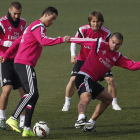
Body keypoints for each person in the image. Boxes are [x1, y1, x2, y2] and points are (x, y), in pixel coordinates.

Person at [0, 6, 70, 137]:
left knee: (34, 95)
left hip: (23, 63)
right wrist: (61, 39)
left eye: (54, 19)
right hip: (23, 63)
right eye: (52, 18)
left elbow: (17, 41)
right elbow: (43, 41)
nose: (53, 21)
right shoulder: (38, 26)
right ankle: (13, 118)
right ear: (45, 15)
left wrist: (6, 54)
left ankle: (26, 128)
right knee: (31, 92)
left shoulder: (31, 26)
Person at [69, 32, 140, 132]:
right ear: (109, 40)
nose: (114, 45)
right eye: (113, 42)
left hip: (91, 80)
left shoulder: (117, 56)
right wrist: (67, 39)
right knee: (87, 96)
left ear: (121, 45)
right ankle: (80, 119)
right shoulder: (100, 43)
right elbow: (82, 40)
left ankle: (90, 125)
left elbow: (132, 65)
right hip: (83, 76)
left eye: (117, 44)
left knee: (108, 99)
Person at [62, 11, 122, 112]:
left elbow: (109, 47)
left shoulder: (106, 32)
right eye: (93, 21)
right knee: (72, 79)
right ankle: (67, 103)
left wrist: (108, 61)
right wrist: (73, 55)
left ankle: (114, 103)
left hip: (99, 60)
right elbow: (74, 41)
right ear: (90, 22)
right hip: (83, 59)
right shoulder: (82, 29)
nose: (95, 24)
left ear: (101, 22)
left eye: (98, 21)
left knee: (110, 80)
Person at [0, 2, 26, 130]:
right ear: (9, 10)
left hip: (19, 60)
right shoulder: (2, 23)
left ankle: (22, 122)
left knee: (24, 92)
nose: (16, 16)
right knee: (7, 89)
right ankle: (2, 118)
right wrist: (7, 44)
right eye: (14, 13)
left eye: (19, 14)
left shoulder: (23, 23)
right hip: (6, 60)